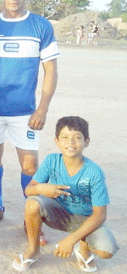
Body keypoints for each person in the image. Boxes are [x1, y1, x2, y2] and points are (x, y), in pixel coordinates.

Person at [0, 0, 59, 231]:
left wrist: (42, 108)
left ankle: (31, 215)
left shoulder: (40, 26)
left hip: (25, 112)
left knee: (30, 164)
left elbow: (51, 70)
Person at [12, 116, 118, 272]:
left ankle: (83, 248)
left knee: (106, 250)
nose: (70, 143)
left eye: (77, 138)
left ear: (86, 142)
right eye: (65, 137)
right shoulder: (51, 161)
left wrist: (71, 240)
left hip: (85, 218)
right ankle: (33, 249)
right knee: (32, 203)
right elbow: (29, 190)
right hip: (58, 213)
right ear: (57, 141)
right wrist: (42, 188)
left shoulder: (94, 172)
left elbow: (100, 215)